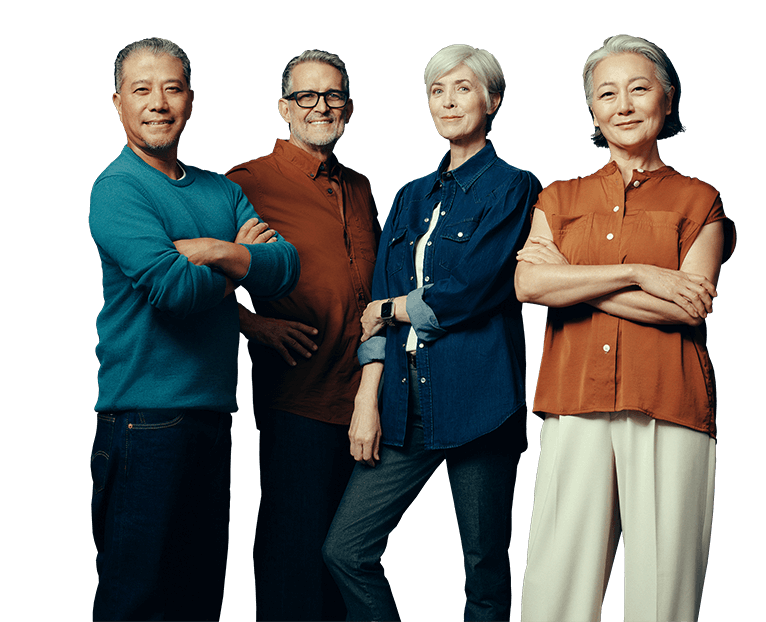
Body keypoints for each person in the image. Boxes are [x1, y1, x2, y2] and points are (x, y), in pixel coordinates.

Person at [516, 34, 735, 622]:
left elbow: (689, 306)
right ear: (593, 111)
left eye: (639, 88)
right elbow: (529, 286)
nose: (624, 104)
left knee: (663, 595)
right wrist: (642, 274)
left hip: (670, 400)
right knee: (555, 588)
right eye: (607, 93)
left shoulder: (701, 200)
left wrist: (573, 280)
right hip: (573, 399)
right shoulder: (559, 197)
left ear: (668, 99)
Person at [322, 44, 541, 621]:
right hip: (403, 399)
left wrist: (391, 308)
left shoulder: (514, 186)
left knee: (484, 572)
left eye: (463, 88)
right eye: (437, 91)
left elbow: (474, 288)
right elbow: (376, 304)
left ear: (493, 101)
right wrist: (366, 400)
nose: (448, 101)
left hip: (480, 398)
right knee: (345, 551)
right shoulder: (410, 195)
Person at [89, 38, 299, 621]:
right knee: (134, 600)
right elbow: (173, 292)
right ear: (118, 103)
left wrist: (213, 250)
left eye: (172, 88)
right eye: (142, 89)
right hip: (143, 421)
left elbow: (286, 267)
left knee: (198, 599)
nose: (158, 102)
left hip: (212, 415)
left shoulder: (221, 189)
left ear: (190, 100)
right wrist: (242, 260)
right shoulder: (117, 189)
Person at [225, 49, 379, 621]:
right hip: (297, 398)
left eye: (333, 95)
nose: (321, 106)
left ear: (349, 108)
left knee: (346, 560)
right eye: (306, 96)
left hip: (364, 401)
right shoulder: (246, 182)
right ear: (284, 108)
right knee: (293, 554)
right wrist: (255, 325)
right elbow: (195, 274)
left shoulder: (360, 185)